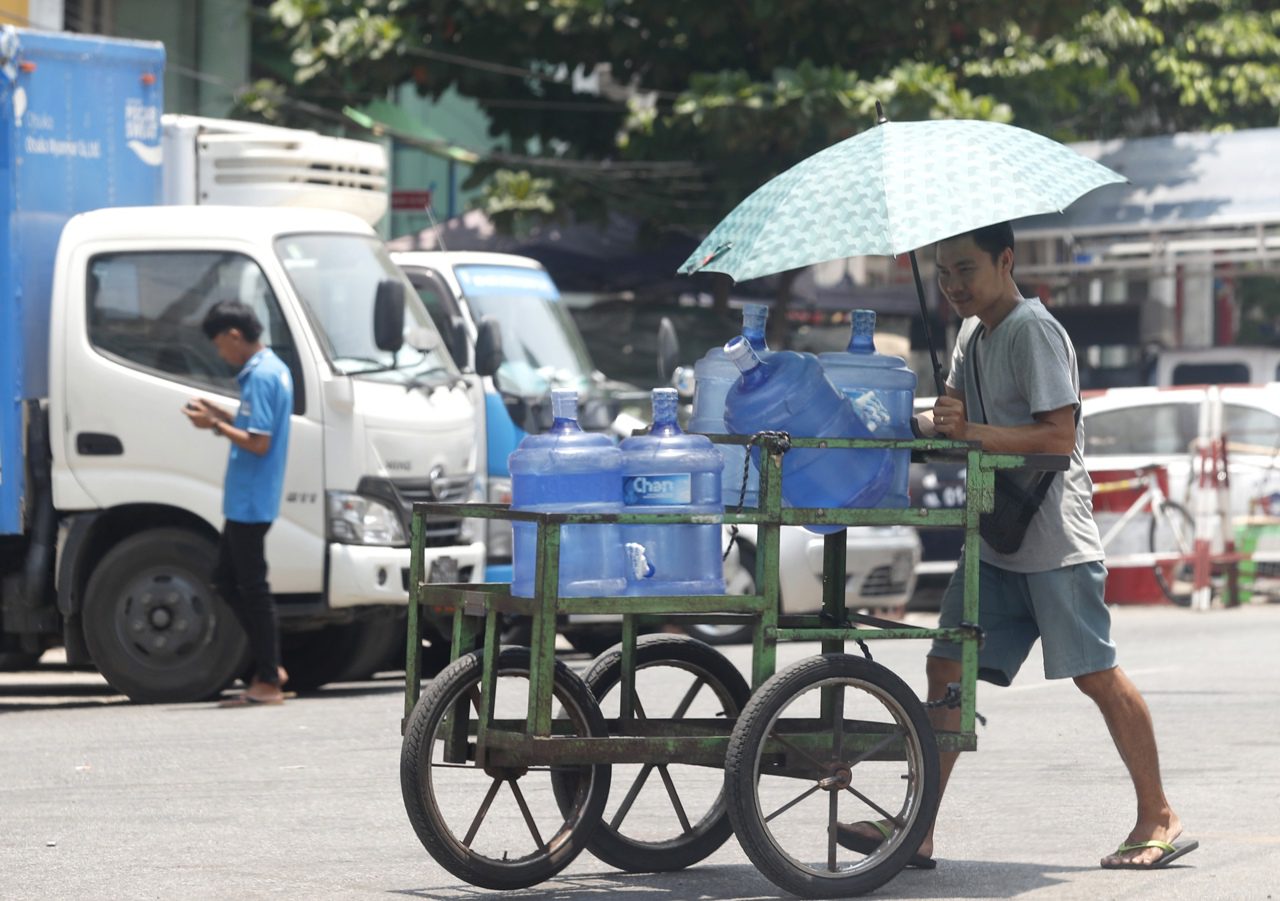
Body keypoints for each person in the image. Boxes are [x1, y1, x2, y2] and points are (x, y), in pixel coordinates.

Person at [838, 222, 1196, 870]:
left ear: (1007, 260)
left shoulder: (1033, 328)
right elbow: (948, 415)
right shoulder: (971, 333)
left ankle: (1159, 814)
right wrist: (889, 418)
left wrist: (969, 428)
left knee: (1096, 674)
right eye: (943, 273)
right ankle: (917, 826)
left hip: (1055, 541)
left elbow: (1057, 437)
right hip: (995, 541)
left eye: (965, 270)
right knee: (945, 667)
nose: (951, 286)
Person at [183, 301, 293, 707]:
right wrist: (220, 413)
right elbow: (252, 422)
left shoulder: (261, 377)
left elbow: (258, 442)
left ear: (233, 334)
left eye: (219, 345)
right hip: (250, 498)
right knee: (227, 580)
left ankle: (268, 678)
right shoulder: (272, 369)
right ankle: (270, 666)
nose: (220, 354)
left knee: (250, 588)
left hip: (250, 499)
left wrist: (213, 426)